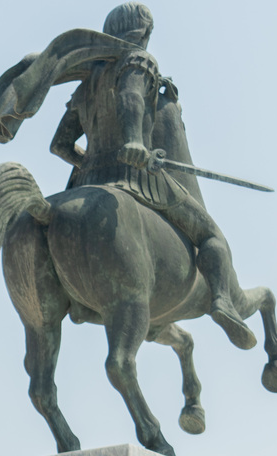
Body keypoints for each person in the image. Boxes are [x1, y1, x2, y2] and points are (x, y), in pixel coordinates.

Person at [45, 3, 259, 350]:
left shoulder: (87, 82)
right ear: (142, 33)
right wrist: (133, 142)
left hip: (87, 183)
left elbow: (60, 145)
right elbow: (131, 95)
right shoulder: (139, 61)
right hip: (137, 177)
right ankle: (222, 302)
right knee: (209, 234)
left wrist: (87, 163)